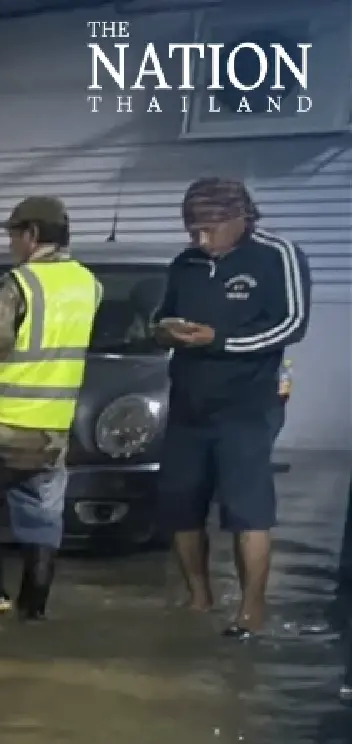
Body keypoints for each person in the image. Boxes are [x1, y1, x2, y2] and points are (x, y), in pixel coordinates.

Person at [153, 177, 312, 638]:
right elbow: (160, 315)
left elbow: (292, 324)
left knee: (248, 511)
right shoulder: (185, 263)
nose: (199, 239)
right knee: (181, 506)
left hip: (246, 407)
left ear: (240, 218)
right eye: (192, 230)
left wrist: (219, 339)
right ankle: (199, 599)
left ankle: (251, 612)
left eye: (209, 229)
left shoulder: (275, 255)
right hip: (187, 406)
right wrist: (164, 331)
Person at [0, 197, 101, 620]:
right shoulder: (88, 284)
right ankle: (34, 605)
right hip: (52, 431)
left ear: (30, 235)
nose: (10, 242)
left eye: (12, 233)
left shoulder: (19, 284)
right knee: (42, 513)